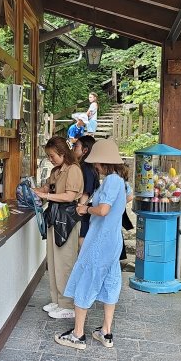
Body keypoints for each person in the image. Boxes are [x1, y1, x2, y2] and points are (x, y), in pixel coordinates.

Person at [54, 139, 126, 349]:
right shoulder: (121, 181)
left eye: (96, 162)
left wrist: (86, 209)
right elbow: (124, 200)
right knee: (111, 282)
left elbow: (103, 210)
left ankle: (78, 334)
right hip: (113, 240)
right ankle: (106, 332)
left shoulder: (111, 180)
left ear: (103, 162)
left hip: (100, 241)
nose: (95, 166)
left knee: (86, 281)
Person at [33, 136, 84, 320]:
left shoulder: (73, 170)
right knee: (54, 261)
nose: (50, 159)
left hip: (67, 219)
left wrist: (46, 196)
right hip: (54, 216)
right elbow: (47, 187)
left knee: (65, 262)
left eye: (52, 156)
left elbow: (69, 196)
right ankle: (57, 300)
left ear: (63, 153)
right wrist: (36, 190)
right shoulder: (56, 171)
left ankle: (68, 304)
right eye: (48, 156)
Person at [73, 135, 99, 248]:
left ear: (85, 150)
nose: (73, 148)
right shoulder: (88, 167)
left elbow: (85, 193)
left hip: (84, 210)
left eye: (76, 146)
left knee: (82, 239)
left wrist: (80, 210)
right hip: (87, 210)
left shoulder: (86, 168)